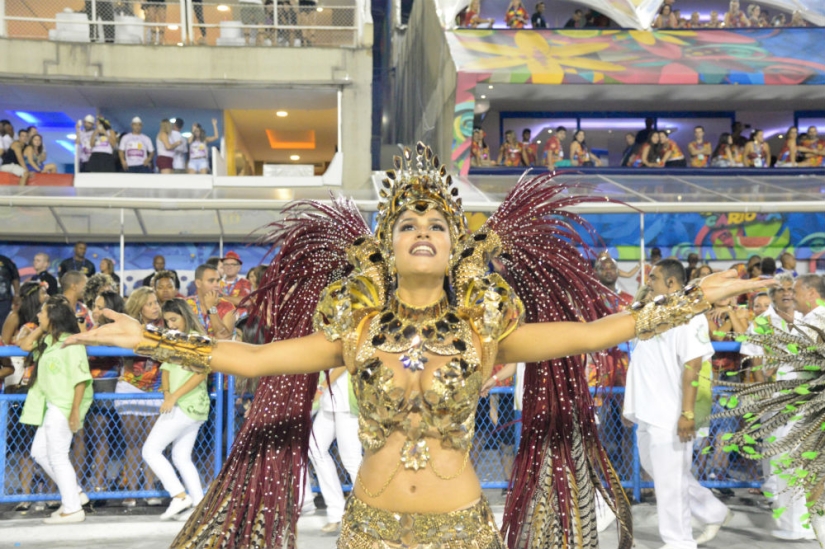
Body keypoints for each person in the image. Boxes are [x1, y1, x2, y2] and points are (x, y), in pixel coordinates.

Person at [68, 143, 768, 548]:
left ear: (457, 242)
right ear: (386, 245)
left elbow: (593, 332)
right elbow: (250, 359)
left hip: (461, 529)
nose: (423, 228)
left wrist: (689, 300)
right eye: (407, 223)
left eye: (437, 220)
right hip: (368, 527)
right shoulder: (356, 329)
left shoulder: (484, 330)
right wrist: (151, 337)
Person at [624, 259, 733, 548]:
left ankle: (679, 541)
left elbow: (693, 367)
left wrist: (687, 413)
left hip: (670, 414)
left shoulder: (690, 317)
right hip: (647, 412)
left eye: (654, 277)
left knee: (670, 484)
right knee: (664, 475)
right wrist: (630, 406)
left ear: (672, 283)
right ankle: (713, 511)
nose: (648, 281)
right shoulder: (652, 314)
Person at [19, 296, 93, 524]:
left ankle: (72, 509)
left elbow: (81, 380)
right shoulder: (50, 341)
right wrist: (42, 329)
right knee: (40, 452)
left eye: (42, 312)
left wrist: (73, 412)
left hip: (64, 406)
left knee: (58, 456)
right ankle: (76, 494)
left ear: (53, 316)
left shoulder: (72, 342)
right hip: (51, 405)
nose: (38, 315)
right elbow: (24, 345)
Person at [142, 299, 210, 521]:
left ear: (185, 316)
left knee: (150, 451)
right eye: (167, 320)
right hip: (186, 406)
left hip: (188, 406)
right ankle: (199, 508)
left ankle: (179, 496)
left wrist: (173, 397)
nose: (170, 324)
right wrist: (167, 395)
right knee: (181, 457)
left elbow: (200, 373)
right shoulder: (172, 339)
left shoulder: (198, 340)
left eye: (174, 319)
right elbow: (167, 370)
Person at [115, 287, 164, 507]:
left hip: (156, 390)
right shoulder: (128, 328)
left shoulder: (167, 326)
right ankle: (132, 490)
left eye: (156, 302)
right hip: (130, 388)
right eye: (150, 303)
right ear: (139, 307)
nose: (156, 307)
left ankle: (150, 488)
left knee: (153, 443)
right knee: (133, 443)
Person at [309, 364, 363, 533]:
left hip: (347, 401)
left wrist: (322, 386)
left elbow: (347, 361)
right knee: (315, 448)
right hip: (328, 401)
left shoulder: (349, 336)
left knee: (351, 460)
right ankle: (336, 513)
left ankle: (366, 515)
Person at [86, 290, 126, 496]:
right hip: (85, 382)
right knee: (86, 437)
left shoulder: (115, 329)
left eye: (100, 307)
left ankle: (100, 484)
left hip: (105, 382)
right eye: (94, 306)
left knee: (100, 435)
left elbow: (106, 346)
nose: (95, 311)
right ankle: (85, 483)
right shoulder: (94, 327)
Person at [186, 264, 236, 339]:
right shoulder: (186, 304)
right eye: (211, 281)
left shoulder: (227, 306)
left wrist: (211, 308)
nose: (217, 285)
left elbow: (224, 338)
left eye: (218, 280)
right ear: (198, 283)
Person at [0, 252, 20, 325]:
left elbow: (15, 277)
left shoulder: (5, 261)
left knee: (3, 324)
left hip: (4, 300)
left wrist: (17, 294)